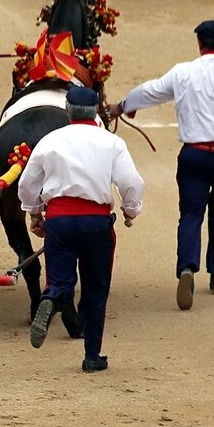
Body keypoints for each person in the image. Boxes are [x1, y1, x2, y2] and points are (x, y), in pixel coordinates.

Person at [113, 19, 214, 310]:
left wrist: (123, 105)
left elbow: (150, 91)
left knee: (191, 214)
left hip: (192, 156)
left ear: (199, 44)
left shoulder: (183, 72)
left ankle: (187, 267)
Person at [17, 86, 145, 372]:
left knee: (60, 281)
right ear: (97, 109)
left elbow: (27, 184)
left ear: (67, 110)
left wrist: (35, 213)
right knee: (96, 288)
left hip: (60, 221)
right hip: (96, 222)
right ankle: (92, 356)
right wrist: (131, 209)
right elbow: (131, 183)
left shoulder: (50, 140)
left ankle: (50, 298)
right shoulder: (111, 142)